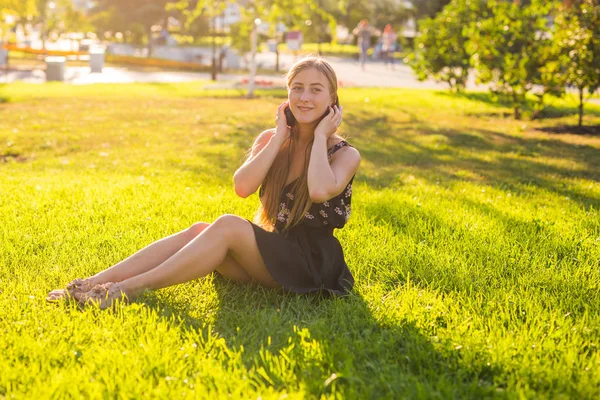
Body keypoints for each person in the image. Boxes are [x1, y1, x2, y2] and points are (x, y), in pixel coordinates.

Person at [46, 57, 361, 309]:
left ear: (333, 99)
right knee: (200, 229)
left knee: (227, 225)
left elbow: (320, 190)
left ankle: (123, 291)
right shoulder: (272, 139)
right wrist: (280, 135)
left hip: (311, 267)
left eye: (316, 90)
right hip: (272, 255)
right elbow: (242, 187)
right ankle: (89, 284)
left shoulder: (344, 154)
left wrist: (319, 137)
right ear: (287, 94)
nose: (304, 97)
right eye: (297, 88)